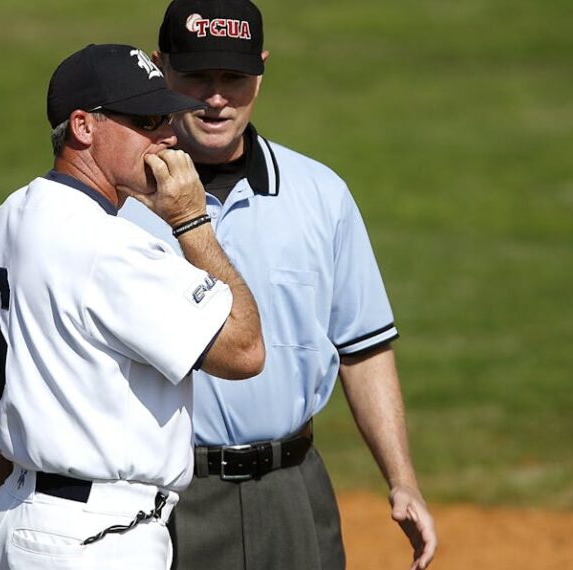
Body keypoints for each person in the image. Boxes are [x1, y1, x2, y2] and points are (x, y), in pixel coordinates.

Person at [118, 2, 437, 569]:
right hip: (163, 498)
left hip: (293, 492)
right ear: (160, 67)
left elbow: (362, 347)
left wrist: (402, 478)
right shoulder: (119, 205)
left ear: (260, 72)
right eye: (197, 76)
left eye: (234, 78)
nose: (216, 98)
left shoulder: (320, 193)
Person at [0, 43, 265, 570]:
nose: (169, 136)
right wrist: (191, 221)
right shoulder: (109, 247)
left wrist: (11, 517)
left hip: (17, 523)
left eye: (167, 118)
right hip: (98, 539)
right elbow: (245, 349)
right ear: (83, 127)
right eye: (146, 121)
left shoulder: (4, 220)